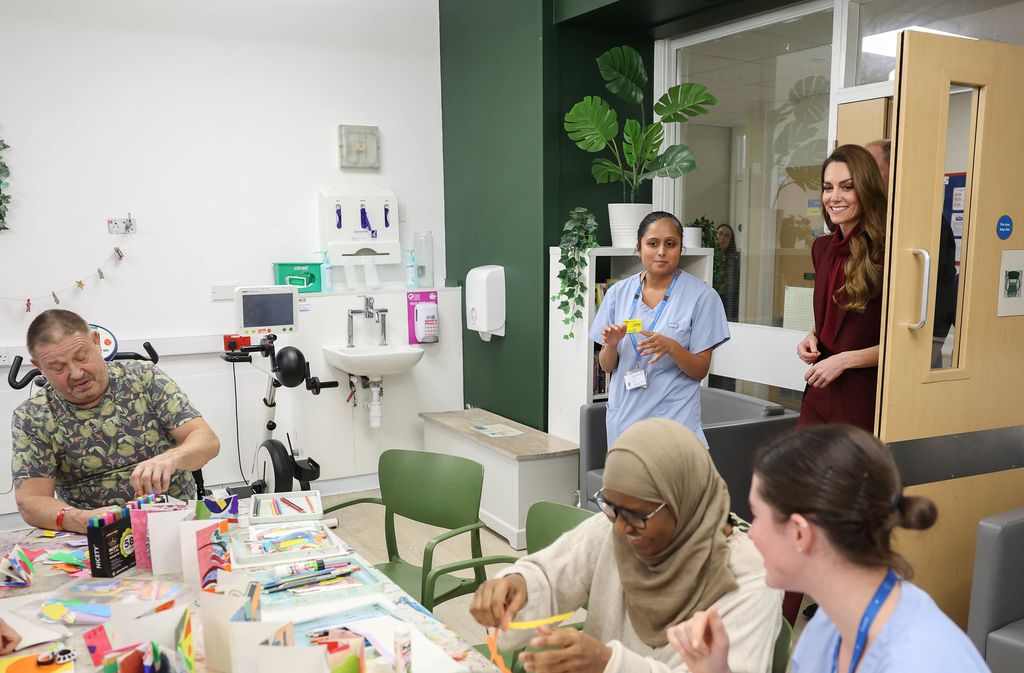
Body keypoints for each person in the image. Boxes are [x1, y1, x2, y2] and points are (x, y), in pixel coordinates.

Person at [668, 424, 990, 673]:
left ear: (800, 533)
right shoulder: (829, 625)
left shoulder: (920, 661)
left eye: (757, 515)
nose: (751, 534)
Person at [470, 419, 782, 673]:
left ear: (684, 501)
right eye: (611, 506)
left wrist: (609, 664)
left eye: (637, 515)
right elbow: (552, 576)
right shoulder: (614, 528)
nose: (620, 527)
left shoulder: (751, 577)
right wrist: (518, 584)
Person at [11, 309, 220, 533]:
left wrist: (172, 458)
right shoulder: (33, 415)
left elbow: (207, 441)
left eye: (81, 357)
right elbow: (31, 501)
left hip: (174, 523)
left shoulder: (143, 378)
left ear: (96, 342)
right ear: (39, 367)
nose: (76, 373)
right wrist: (80, 519)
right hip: (97, 535)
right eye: (58, 368)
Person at [590, 212, 730, 447]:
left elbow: (700, 370)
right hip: (625, 421)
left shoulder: (703, 297)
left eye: (671, 244)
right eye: (653, 244)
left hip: (675, 423)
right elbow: (606, 366)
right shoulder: (617, 293)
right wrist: (611, 344)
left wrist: (672, 348)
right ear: (639, 248)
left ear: (681, 249)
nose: (662, 251)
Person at [796, 145, 887, 431]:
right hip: (820, 387)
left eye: (847, 187)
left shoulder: (887, 252)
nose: (834, 197)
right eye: (828, 187)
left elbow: (902, 346)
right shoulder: (822, 248)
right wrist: (812, 335)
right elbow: (835, 314)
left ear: (866, 190)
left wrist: (844, 361)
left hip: (862, 394)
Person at [867, 139, 958, 368]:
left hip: (914, 344)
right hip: (869, 346)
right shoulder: (868, 221)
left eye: (871, 167)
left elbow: (940, 288)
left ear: (897, 171)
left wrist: (930, 347)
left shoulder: (927, 222)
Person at [714, 224, 740, 323]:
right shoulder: (709, 256)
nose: (722, 238)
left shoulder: (735, 259)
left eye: (727, 235)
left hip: (729, 300)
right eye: (720, 233)